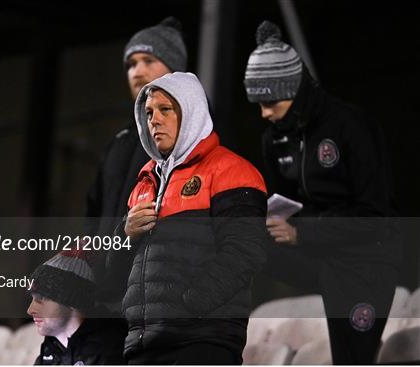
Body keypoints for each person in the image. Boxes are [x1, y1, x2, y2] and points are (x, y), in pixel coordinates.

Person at [244, 20, 400, 364]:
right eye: (258, 103)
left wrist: (301, 232)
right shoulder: (274, 139)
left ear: (293, 91)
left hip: (366, 261)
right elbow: (286, 203)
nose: (264, 113)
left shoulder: (350, 126)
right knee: (237, 239)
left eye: (270, 102)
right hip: (320, 254)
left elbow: (375, 216)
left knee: (352, 359)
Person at [118, 72, 267, 364]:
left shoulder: (232, 171)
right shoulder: (145, 183)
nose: (154, 121)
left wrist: (189, 306)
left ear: (191, 110)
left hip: (202, 341)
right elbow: (115, 268)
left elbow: (245, 253)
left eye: (165, 109)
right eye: (148, 112)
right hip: (144, 344)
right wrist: (124, 234)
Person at [85, 17, 188, 308]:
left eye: (148, 60)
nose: (137, 71)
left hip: (152, 294)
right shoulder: (119, 140)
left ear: (174, 67)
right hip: (103, 292)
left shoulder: (189, 134)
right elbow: (92, 214)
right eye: (131, 64)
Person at [27, 250, 126, 365]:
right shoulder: (50, 348)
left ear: (71, 300)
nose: (30, 310)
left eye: (41, 298)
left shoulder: (111, 347)